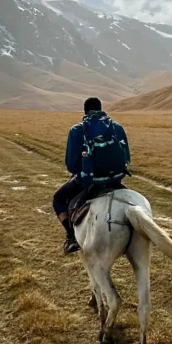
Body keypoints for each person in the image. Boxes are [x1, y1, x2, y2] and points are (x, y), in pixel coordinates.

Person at [52, 97, 131, 254]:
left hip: (89, 181)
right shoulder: (116, 127)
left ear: (85, 111)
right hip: (115, 179)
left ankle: (71, 238)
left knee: (58, 199)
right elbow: (127, 157)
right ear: (101, 109)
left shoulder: (77, 130)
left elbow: (71, 164)